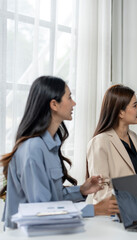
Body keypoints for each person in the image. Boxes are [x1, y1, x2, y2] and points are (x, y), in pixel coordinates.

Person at [0, 76, 119, 229]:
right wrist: (93, 210)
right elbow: (42, 211)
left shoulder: (51, 143)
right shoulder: (33, 149)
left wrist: (82, 190)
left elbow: (52, 198)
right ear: (54, 104)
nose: (74, 103)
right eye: (69, 97)